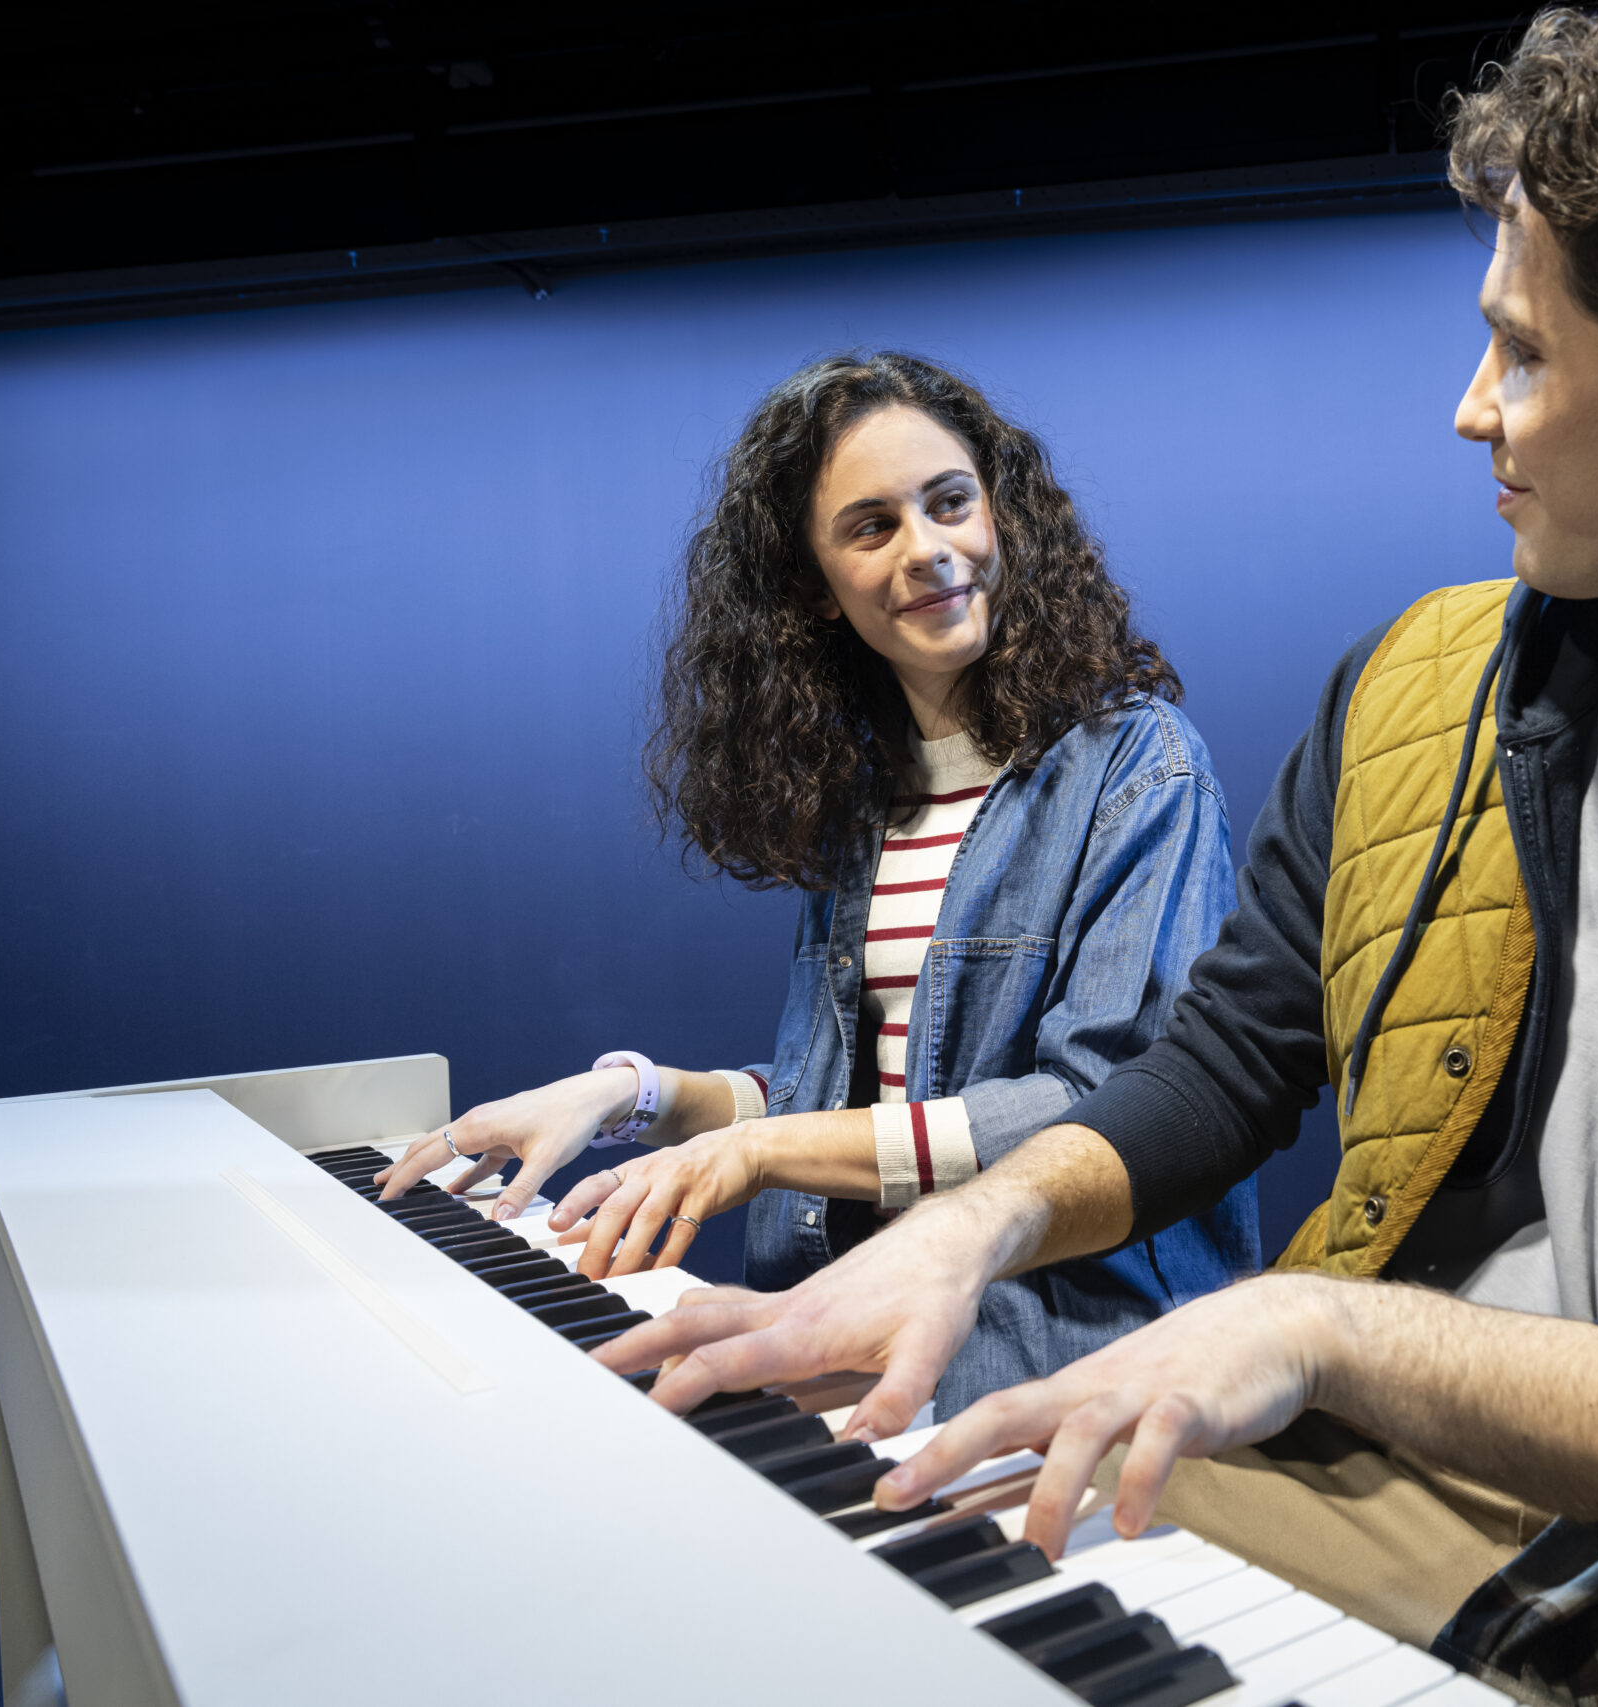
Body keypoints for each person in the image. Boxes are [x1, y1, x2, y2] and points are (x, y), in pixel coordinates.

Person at [600, 4, 1598, 1701]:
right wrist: (978, 1225)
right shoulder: (1413, 690)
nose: (1472, 409)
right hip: (1362, 1493)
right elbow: (1222, 1067)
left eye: (1523, 352)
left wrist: (1315, 1324)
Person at [376, 350, 1257, 1417]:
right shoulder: (874, 803)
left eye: (950, 502)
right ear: (816, 588)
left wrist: (761, 1151)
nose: (928, 549)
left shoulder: (1138, 765)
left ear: (1003, 514)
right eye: (872, 527)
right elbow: (848, 1098)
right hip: (849, 1326)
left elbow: (1107, 1109)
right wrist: (627, 1095)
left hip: (1057, 1361)